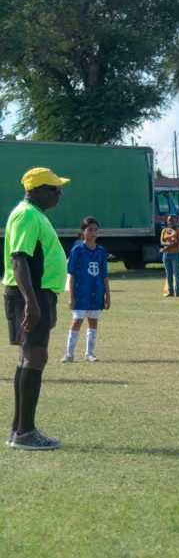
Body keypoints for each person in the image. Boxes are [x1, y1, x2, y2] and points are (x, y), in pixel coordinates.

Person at [5, 167, 70, 450]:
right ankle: (26, 433)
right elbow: (19, 259)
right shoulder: (27, 214)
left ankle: (18, 429)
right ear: (36, 190)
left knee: (27, 358)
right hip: (31, 294)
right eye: (53, 188)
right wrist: (31, 301)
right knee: (35, 357)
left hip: (36, 293)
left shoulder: (34, 214)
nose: (59, 193)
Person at [62, 217, 110, 363]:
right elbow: (72, 275)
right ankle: (69, 354)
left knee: (93, 321)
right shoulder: (77, 251)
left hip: (96, 292)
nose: (93, 233)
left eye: (95, 230)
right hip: (81, 292)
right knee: (77, 321)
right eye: (89, 230)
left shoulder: (101, 251)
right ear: (83, 232)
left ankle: (89, 353)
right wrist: (72, 296)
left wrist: (108, 296)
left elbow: (104, 275)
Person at [161, 214, 179, 297]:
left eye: (172, 220)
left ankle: (177, 291)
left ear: (176, 221)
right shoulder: (164, 230)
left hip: (176, 255)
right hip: (166, 255)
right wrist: (169, 245)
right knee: (168, 274)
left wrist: (166, 248)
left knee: (176, 273)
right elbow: (161, 242)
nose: (170, 221)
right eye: (169, 220)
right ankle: (171, 291)